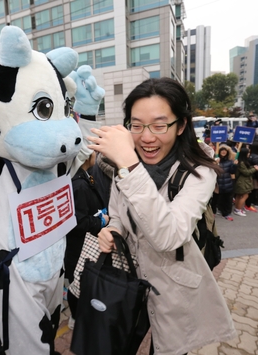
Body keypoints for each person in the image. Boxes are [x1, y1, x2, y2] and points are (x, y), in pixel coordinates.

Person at [86, 78, 236, 354]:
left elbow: (170, 236)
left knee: (169, 346)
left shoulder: (199, 171)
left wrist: (129, 165)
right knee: (119, 341)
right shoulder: (126, 164)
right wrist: (113, 230)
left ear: (181, 126)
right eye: (137, 125)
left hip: (175, 286)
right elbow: (118, 215)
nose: (146, 137)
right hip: (130, 277)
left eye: (159, 125)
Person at [64, 152, 108, 329]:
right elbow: (78, 222)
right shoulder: (79, 185)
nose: (95, 156)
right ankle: (75, 317)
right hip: (79, 245)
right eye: (93, 153)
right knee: (77, 281)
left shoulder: (84, 178)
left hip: (85, 242)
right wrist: (101, 220)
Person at [233, 147, 258, 217]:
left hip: (242, 181)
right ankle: (238, 209)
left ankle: (237, 209)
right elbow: (246, 172)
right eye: (248, 153)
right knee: (245, 195)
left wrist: (253, 167)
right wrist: (255, 169)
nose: (249, 154)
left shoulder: (243, 162)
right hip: (242, 182)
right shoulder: (241, 163)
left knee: (239, 195)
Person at [215, 145, 237, 221]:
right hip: (219, 184)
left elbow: (232, 171)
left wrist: (234, 165)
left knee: (228, 200)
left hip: (228, 184)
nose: (223, 152)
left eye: (225, 151)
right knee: (220, 199)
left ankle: (227, 213)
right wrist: (215, 164)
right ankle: (220, 210)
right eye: (222, 151)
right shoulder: (216, 161)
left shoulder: (230, 162)